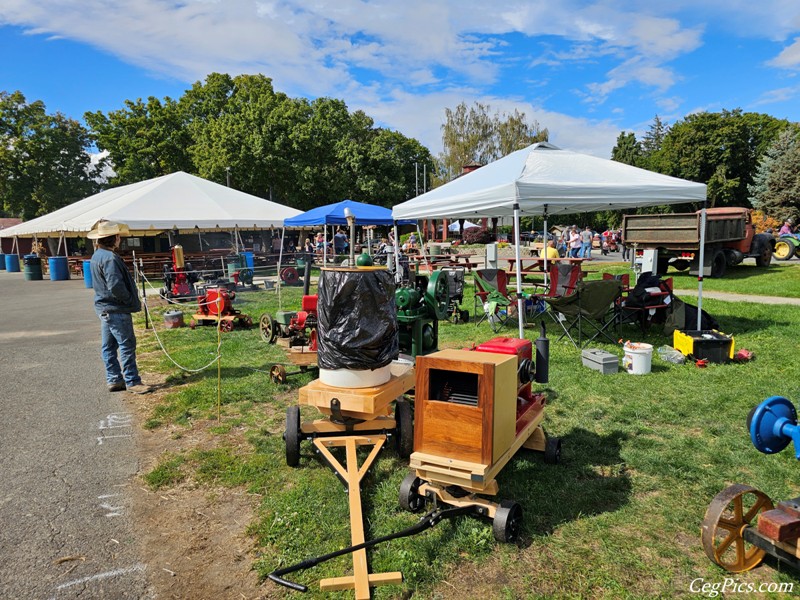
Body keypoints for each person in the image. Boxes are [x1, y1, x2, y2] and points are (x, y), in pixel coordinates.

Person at [88, 221, 151, 394]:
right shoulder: (110, 258)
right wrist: (129, 299)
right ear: (115, 238)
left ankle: (114, 379)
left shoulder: (97, 256)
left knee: (108, 346)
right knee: (126, 344)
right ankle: (132, 381)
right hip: (116, 308)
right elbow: (115, 285)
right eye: (118, 236)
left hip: (104, 308)